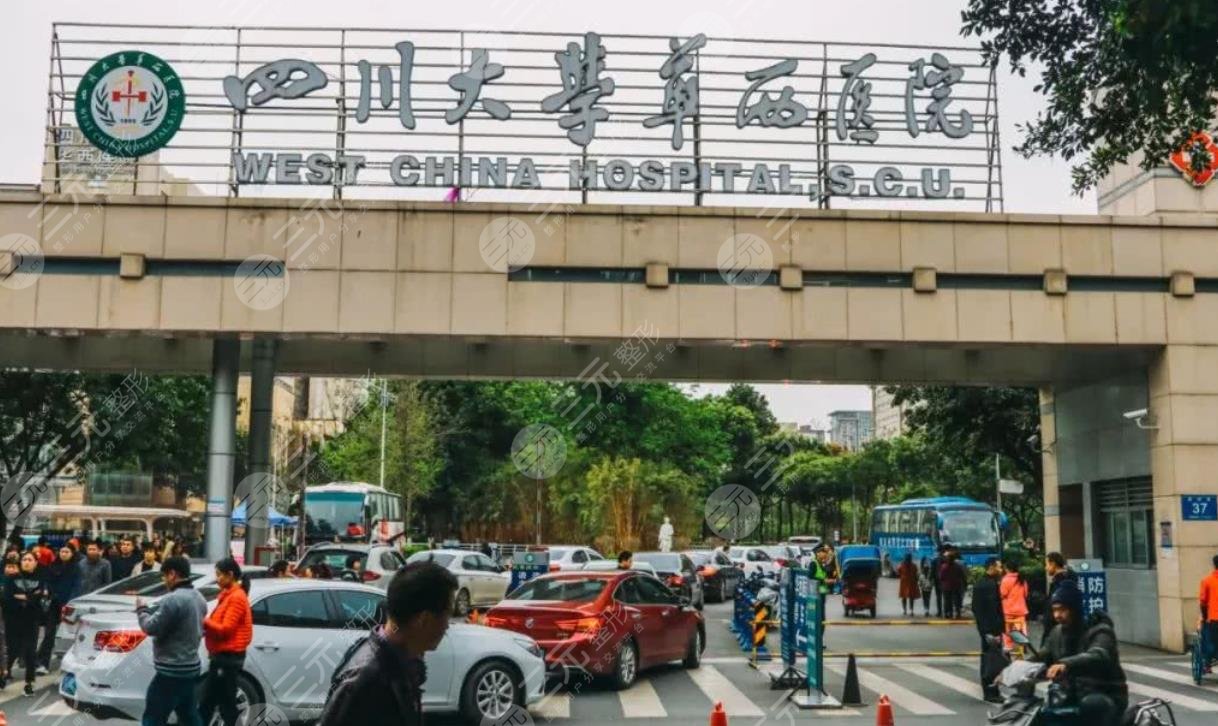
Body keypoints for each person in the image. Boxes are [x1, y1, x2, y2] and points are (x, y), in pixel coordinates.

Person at [319, 562, 459, 726]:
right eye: (448, 614)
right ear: (424, 620)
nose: (448, 625)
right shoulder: (367, 680)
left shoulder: (402, 661)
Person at [1033, 579, 1128, 724]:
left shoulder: (1100, 631)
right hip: (1069, 694)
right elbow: (1043, 655)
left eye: (1062, 609)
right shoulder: (1057, 633)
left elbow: (1098, 654)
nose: (1057, 615)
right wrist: (1013, 668)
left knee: (1093, 704)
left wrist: (1066, 664)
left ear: (1075, 609)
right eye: (1054, 610)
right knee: (1042, 713)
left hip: (1104, 693)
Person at [136, 556, 208, 726]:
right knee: (189, 715)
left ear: (172, 574)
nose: (164, 580)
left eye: (164, 576)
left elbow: (150, 627)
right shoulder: (199, 597)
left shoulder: (173, 599)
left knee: (153, 718)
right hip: (190, 667)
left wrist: (141, 610)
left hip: (171, 671)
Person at [199, 558, 252, 726]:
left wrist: (204, 621)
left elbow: (226, 629)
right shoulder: (229, 596)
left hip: (227, 658)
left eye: (219, 575)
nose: (217, 579)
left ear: (230, 575)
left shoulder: (236, 597)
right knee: (213, 702)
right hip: (222, 657)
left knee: (223, 703)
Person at [3, 552, 46, 694]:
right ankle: (4, 674)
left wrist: (23, 597)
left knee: (30, 653)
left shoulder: (41, 579)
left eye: (30, 559)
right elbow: (7, 599)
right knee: (11, 651)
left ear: (35, 563)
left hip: (31, 621)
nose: (26, 562)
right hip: (13, 621)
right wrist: (31, 597)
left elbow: (40, 598)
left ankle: (29, 682)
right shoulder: (11, 579)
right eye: (24, 559)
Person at [38, 545, 80, 673]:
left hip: (69, 605)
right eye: (62, 551)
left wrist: (70, 602)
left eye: (67, 552)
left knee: (75, 634)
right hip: (53, 603)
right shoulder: (52, 566)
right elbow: (47, 582)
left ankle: (75, 664)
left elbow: (76, 586)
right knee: (50, 633)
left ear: (72, 553)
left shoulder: (76, 568)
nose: (64, 554)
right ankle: (42, 663)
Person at [971, 558, 1006, 702]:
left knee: (991, 660)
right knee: (991, 661)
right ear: (991, 567)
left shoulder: (984, 584)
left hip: (989, 630)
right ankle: (991, 692)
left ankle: (992, 691)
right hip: (991, 630)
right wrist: (989, 632)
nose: (1001, 569)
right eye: (999, 566)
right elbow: (987, 611)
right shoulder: (988, 586)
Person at [1042, 551, 1077, 646]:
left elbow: (1054, 608)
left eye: (1046, 564)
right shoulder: (1067, 580)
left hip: (1057, 633)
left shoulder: (1060, 584)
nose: (1045, 568)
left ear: (1053, 564)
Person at [1000, 558, 1030, 656]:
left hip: (1008, 609)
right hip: (1021, 608)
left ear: (1007, 569)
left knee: (1007, 629)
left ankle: (1008, 646)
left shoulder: (1005, 580)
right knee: (1021, 627)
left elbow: (1002, 594)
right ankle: (1023, 642)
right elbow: (1025, 594)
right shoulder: (1022, 579)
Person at [1198, 553, 1218, 671]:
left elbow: (1203, 602)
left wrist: (1205, 617)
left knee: (1212, 643)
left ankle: (1208, 663)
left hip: (1214, 618)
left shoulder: (1207, 581)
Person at [938, 549, 965, 619]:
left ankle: (948, 613)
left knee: (947, 600)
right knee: (957, 600)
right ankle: (958, 613)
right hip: (956, 585)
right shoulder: (958, 566)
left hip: (946, 586)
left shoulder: (944, 567)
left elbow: (941, 577)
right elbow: (962, 575)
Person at [929, 546, 946, 617]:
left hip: (937, 580)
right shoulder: (947, 560)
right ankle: (947, 611)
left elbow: (932, 571)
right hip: (946, 581)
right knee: (946, 597)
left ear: (938, 552)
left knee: (939, 596)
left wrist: (930, 579)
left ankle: (939, 612)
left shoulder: (934, 560)